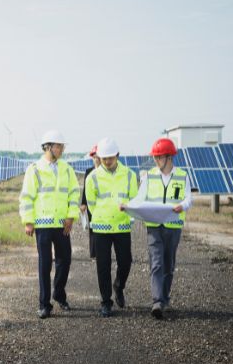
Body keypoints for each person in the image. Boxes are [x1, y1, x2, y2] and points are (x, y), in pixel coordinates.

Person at [19, 130, 80, 319]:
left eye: (62, 146)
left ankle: (59, 294)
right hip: (43, 225)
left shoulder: (67, 169)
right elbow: (27, 197)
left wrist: (70, 217)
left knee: (65, 260)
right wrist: (28, 221)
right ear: (48, 147)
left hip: (62, 224)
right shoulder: (34, 169)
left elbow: (74, 194)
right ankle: (44, 304)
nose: (61, 149)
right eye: (58, 146)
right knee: (45, 264)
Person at [130, 138, 192, 319]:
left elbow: (189, 198)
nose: (156, 161)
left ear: (169, 157)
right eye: (155, 157)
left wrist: (183, 206)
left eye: (159, 157)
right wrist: (128, 206)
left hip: (173, 226)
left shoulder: (182, 175)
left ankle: (164, 297)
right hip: (154, 226)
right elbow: (140, 198)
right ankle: (157, 302)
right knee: (156, 263)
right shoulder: (149, 175)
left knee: (168, 265)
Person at [85, 137, 138, 317]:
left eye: (110, 158)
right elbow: (91, 203)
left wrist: (125, 213)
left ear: (117, 155)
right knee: (103, 266)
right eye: (104, 158)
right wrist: (103, 215)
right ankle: (106, 302)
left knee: (126, 262)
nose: (107, 161)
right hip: (101, 227)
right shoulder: (92, 177)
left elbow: (134, 198)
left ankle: (119, 286)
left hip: (122, 226)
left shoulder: (130, 174)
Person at [80, 145, 100, 260]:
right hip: (91, 204)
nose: (96, 159)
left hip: (102, 204)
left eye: (97, 156)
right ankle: (94, 253)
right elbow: (85, 189)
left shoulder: (106, 172)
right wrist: (83, 203)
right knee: (92, 228)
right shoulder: (89, 171)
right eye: (94, 157)